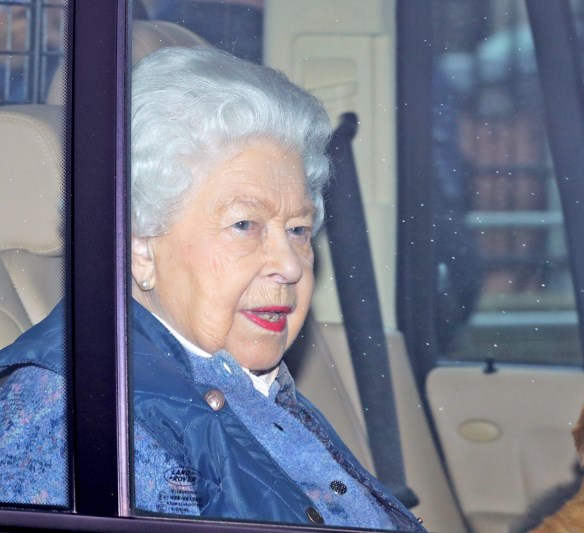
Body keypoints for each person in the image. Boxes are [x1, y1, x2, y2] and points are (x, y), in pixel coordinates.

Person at [0, 46, 425, 531]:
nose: (290, 265)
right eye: (245, 224)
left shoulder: (245, 385)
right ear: (139, 247)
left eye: (299, 230)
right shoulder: (81, 422)